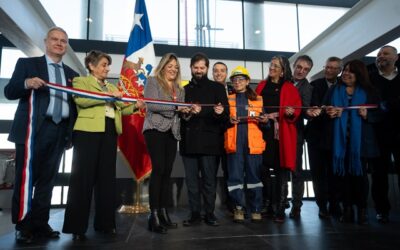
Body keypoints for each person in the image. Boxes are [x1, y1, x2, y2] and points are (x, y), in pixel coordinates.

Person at [4, 27, 79, 244]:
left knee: (48, 181)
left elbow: (75, 106)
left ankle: (40, 223)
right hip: (32, 131)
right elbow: (9, 91)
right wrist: (26, 83)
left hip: (59, 132)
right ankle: (23, 225)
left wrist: (69, 135)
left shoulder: (72, 75)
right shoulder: (27, 65)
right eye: (55, 39)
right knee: (25, 179)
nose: (59, 43)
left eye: (63, 41)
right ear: (46, 42)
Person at [62, 50, 142, 240]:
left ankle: (105, 224)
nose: (107, 68)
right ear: (91, 65)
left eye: (107, 65)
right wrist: (106, 97)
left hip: (109, 132)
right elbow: (81, 100)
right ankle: (77, 228)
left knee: (106, 179)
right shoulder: (81, 81)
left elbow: (122, 107)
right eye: (104, 65)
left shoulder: (111, 86)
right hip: (87, 132)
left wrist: (137, 105)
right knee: (83, 178)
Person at [143, 53, 198, 234]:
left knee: (167, 172)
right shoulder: (152, 81)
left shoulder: (179, 89)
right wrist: (177, 108)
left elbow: (181, 113)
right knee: (159, 169)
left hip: (172, 132)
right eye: (170, 65)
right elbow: (152, 105)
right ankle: (154, 215)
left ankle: (163, 212)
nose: (173, 69)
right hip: (155, 129)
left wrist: (189, 111)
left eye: (176, 66)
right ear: (163, 65)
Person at [322, 59, 380, 224]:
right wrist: (330, 113)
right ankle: (347, 209)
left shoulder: (369, 91)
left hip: (361, 143)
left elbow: (381, 113)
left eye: (351, 71)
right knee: (342, 178)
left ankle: (362, 210)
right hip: (339, 143)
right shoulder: (334, 90)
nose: (346, 73)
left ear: (359, 74)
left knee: (360, 177)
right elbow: (324, 110)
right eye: (345, 70)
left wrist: (367, 115)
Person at [180, 52, 229, 227]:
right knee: (192, 183)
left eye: (202, 67)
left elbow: (226, 116)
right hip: (189, 143)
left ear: (207, 68)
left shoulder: (217, 88)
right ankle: (194, 214)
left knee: (209, 181)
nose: (199, 70)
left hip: (210, 143)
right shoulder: (184, 89)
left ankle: (209, 213)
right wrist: (185, 113)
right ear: (191, 68)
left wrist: (219, 113)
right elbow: (179, 116)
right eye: (196, 67)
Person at [255, 55, 302, 223]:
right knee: (264, 169)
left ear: (283, 71)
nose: (272, 67)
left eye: (276, 66)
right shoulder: (261, 85)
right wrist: (261, 117)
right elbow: (254, 107)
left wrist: (289, 113)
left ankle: (281, 206)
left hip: (282, 134)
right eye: (271, 64)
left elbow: (296, 110)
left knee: (282, 171)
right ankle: (268, 204)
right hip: (263, 133)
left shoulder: (289, 88)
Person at [225, 66, 268, 223]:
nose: (237, 82)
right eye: (234, 80)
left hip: (253, 145)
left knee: (254, 178)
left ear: (248, 81)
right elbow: (222, 121)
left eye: (241, 79)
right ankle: (238, 209)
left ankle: (256, 209)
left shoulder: (258, 99)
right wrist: (227, 120)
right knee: (235, 178)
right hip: (234, 144)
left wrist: (265, 121)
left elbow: (266, 123)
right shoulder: (228, 99)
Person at [306, 56, 343, 218]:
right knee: (318, 174)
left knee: (335, 173)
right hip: (316, 137)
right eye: (328, 67)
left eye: (334, 68)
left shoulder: (344, 85)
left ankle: (335, 204)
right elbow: (311, 108)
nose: (330, 70)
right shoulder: (315, 85)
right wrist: (324, 110)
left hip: (336, 137)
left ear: (339, 71)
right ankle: (322, 206)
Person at [369, 45, 400, 223]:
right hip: (378, 133)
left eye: (386, 53)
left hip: (399, 133)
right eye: (379, 53)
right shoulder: (370, 80)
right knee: (378, 174)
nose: (381, 56)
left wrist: (388, 105)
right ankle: (382, 210)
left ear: (396, 58)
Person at [288, 55, 314, 219]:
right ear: (293, 66)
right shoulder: (283, 82)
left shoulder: (308, 88)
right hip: (278, 132)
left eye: (305, 69)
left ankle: (296, 206)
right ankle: (278, 202)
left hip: (296, 133)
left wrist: (306, 112)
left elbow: (305, 109)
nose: (301, 71)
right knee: (278, 170)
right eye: (299, 67)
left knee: (296, 171)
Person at [212, 61, 234, 213]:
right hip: (213, 138)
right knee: (210, 173)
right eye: (216, 71)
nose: (219, 73)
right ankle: (209, 208)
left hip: (231, 137)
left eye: (222, 71)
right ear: (212, 73)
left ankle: (232, 204)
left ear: (226, 73)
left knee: (231, 172)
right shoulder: (208, 90)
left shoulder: (235, 90)